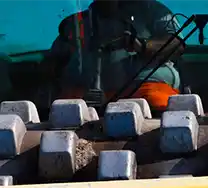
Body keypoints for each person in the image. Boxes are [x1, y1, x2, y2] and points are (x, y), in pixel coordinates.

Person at [45, 0, 186, 112]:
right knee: (60, 107)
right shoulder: (75, 24)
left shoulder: (153, 11)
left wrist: (142, 46)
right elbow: (52, 64)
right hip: (84, 98)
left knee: (158, 101)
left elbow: (176, 44)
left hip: (142, 91)